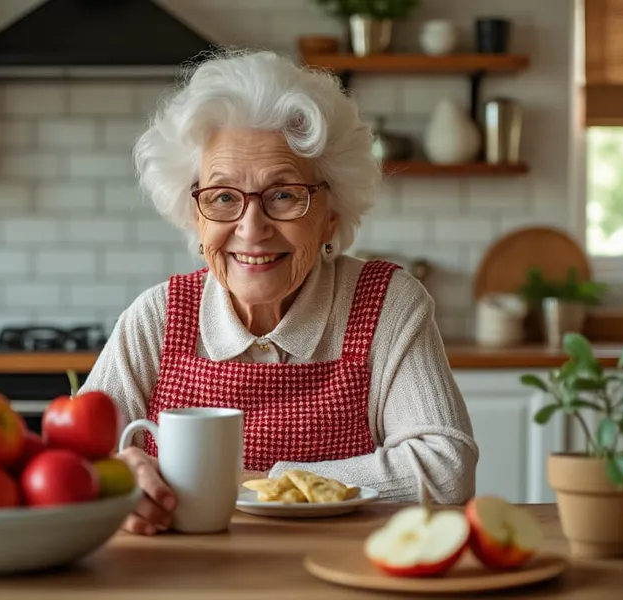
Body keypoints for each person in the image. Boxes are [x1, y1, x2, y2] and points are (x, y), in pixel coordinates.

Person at [79, 48, 478, 537]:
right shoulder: (157, 317)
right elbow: (75, 461)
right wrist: (121, 474)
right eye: (223, 197)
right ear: (196, 217)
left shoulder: (387, 304)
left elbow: (446, 468)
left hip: (342, 575)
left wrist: (259, 485)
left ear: (331, 213)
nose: (251, 229)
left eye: (284, 194)